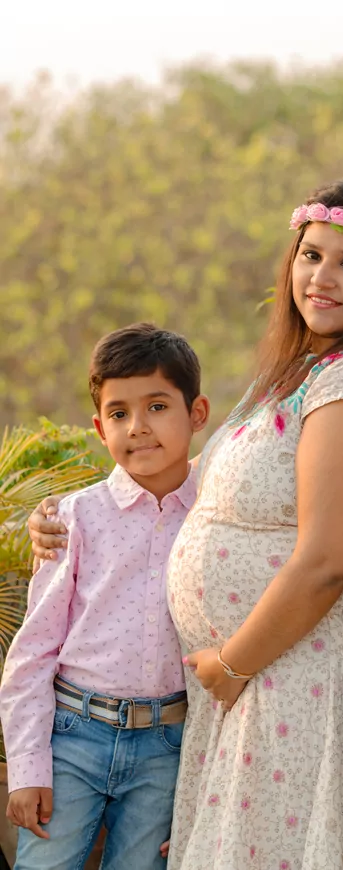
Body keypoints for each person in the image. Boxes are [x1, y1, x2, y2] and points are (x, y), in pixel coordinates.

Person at [28, 177, 343, 869]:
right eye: (311, 256)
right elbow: (179, 482)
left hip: (294, 680)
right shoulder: (294, 370)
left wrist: (234, 664)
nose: (321, 277)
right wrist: (64, 514)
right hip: (245, 689)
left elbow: (328, 557)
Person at [0, 323, 210, 870]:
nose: (138, 428)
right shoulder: (74, 519)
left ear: (198, 413)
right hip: (73, 737)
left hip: (169, 745)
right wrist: (27, 769)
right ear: (99, 428)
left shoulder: (216, 515)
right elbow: (33, 652)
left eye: (158, 406)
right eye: (119, 414)